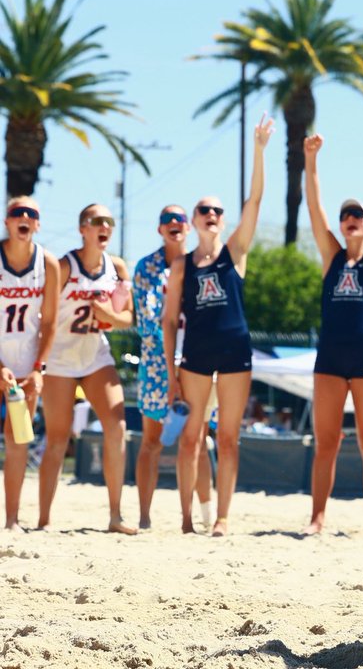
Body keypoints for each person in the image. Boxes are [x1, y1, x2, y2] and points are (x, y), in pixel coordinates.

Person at [163, 114, 272, 536]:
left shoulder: (235, 252)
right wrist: (171, 370)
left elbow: (255, 201)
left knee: (227, 438)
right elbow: (169, 320)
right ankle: (187, 519)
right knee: (191, 438)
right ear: (194, 220)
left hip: (234, 353)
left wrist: (259, 150)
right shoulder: (182, 265)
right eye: (204, 210)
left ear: (223, 221)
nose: (211, 214)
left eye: (217, 210)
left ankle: (223, 517)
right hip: (195, 355)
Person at [303, 133, 363, 535]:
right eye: (346, 215)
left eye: (358, 214)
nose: (350, 217)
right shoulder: (332, 257)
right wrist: (310, 160)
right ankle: (317, 517)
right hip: (330, 358)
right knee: (326, 442)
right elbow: (313, 207)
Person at [40, 203, 137, 534]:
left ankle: (115, 515)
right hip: (60, 358)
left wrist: (109, 315)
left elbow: (128, 318)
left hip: (96, 355)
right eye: (97, 221)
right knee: (57, 438)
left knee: (117, 427)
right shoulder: (65, 266)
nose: (105, 226)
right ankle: (43, 520)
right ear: (83, 228)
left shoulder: (117, 266)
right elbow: (45, 313)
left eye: (109, 221)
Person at [132, 204, 216, 530]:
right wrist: (170, 366)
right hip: (157, 363)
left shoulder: (201, 263)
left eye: (179, 218)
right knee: (151, 441)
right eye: (167, 219)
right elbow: (149, 322)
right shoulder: (147, 267)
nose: (173, 223)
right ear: (160, 229)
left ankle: (207, 515)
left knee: (197, 441)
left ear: (189, 226)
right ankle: (144, 517)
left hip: (197, 359)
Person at [0, 197, 59, 530]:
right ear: (7, 222)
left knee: (18, 439)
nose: (23, 216)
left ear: (37, 224)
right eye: (16, 212)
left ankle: (11, 520)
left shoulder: (47, 264)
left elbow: (49, 323)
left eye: (31, 213)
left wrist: (39, 368)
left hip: (24, 367)